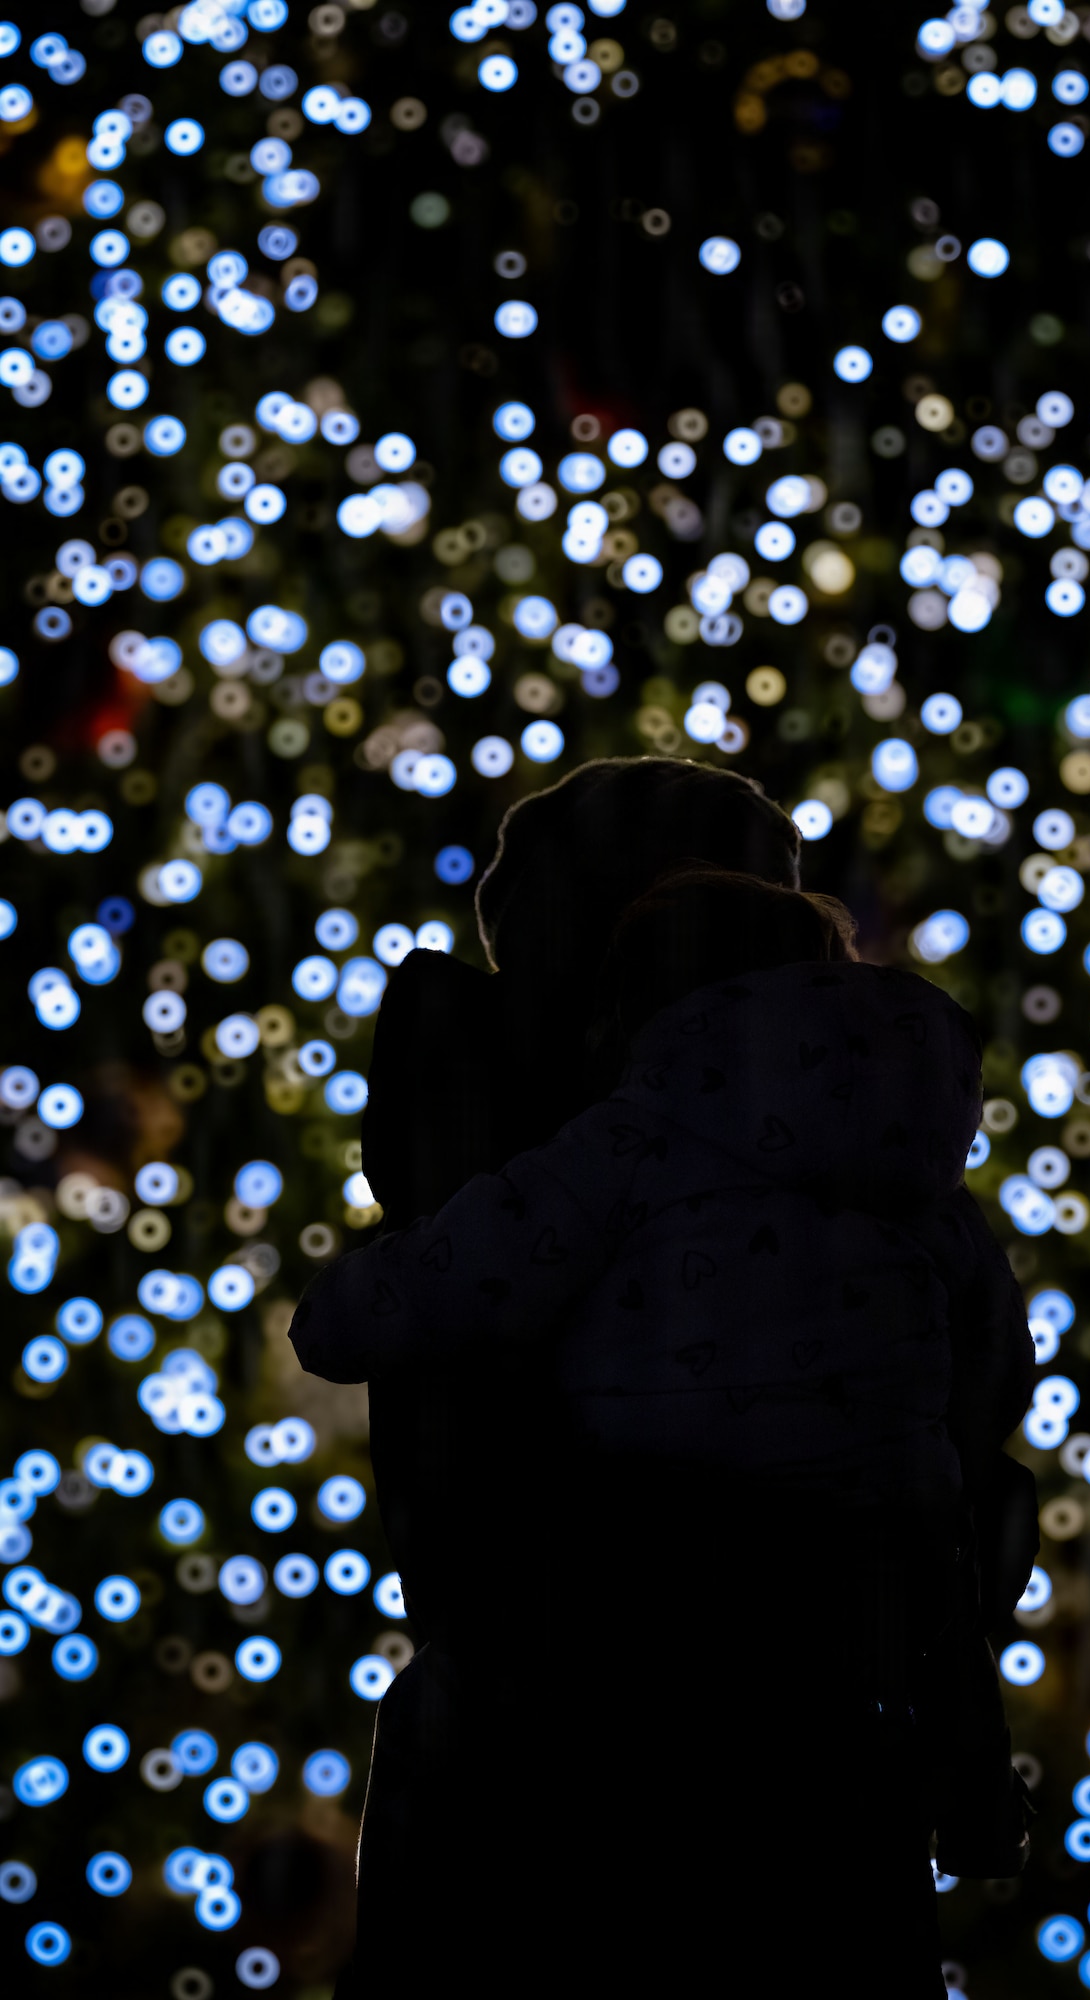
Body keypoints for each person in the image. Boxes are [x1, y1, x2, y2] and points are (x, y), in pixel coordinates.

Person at [296, 759, 1034, 1994]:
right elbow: (994, 1364)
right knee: (940, 1580)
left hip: (646, 1530)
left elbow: (480, 1262)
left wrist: (344, 1313)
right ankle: (973, 1788)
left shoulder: (627, 1129)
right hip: (865, 1556)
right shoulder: (908, 1158)